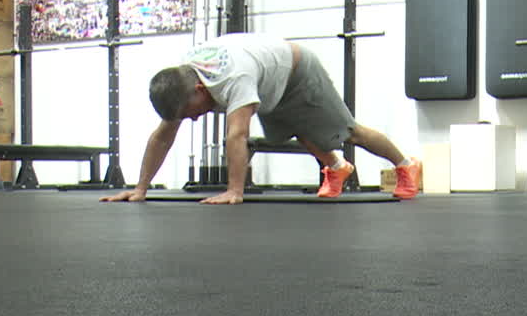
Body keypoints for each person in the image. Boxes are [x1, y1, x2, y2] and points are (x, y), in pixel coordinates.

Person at [102, 33, 421, 205]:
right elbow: (162, 135)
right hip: (270, 80)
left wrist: (234, 191)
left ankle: (406, 165)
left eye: (192, 113)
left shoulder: (232, 78)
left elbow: (236, 134)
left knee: (347, 132)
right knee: (298, 130)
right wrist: (140, 188)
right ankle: (337, 170)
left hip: (297, 72)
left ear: (200, 89)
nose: (195, 120)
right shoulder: (182, 80)